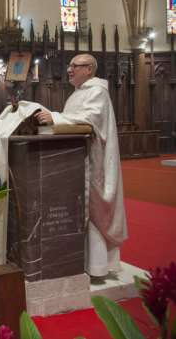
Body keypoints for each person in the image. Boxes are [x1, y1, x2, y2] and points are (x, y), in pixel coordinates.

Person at [34, 53, 128, 280]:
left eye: (74, 66)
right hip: (78, 159)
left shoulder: (97, 92)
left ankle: (99, 267)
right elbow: (73, 120)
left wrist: (55, 117)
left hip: (94, 160)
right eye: (70, 65)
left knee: (93, 210)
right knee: (82, 210)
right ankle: (85, 263)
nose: (69, 69)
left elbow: (89, 120)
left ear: (89, 69)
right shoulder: (78, 94)